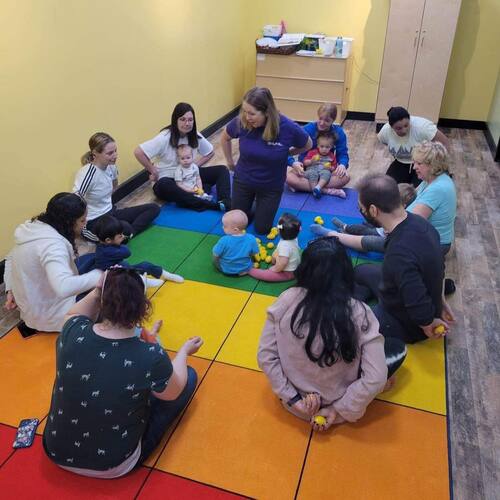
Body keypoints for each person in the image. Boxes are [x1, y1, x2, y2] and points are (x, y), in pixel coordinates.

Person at [43, 267, 203, 477]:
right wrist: (184, 352)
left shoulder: (71, 331)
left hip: (56, 451)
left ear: (102, 301)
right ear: (143, 308)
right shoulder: (151, 355)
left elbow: (74, 313)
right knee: (188, 377)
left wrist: (98, 290)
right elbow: (172, 392)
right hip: (114, 464)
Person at [257, 237, 407, 431]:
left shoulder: (286, 299)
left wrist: (294, 400)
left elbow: (265, 356)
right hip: (337, 407)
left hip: (295, 403)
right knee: (396, 348)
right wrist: (337, 409)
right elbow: (376, 377)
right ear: (346, 272)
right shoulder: (360, 312)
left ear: (304, 269)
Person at [352, 175, 455, 343]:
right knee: (360, 271)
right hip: (398, 291)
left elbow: (415, 298)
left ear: (373, 210)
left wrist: (428, 323)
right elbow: (439, 268)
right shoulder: (422, 223)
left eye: (361, 209)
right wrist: (440, 302)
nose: (362, 212)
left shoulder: (399, 252)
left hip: (406, 323)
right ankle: (359, 303)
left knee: (350, 328)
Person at [3, 193, 102, 336]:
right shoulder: (53, 246)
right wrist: (99, 276)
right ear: (68, 222)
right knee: (107, 292)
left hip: (32, 307)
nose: (85, 223)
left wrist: (10, 289)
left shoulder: (33, 229)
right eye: (82, 220)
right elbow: (63, 287)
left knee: (91, 259)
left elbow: (10, 258)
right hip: (51, 316)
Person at [220, 87, 312, 234]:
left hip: (270, 186)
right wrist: (230, 162)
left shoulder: (287, 127)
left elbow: (308, 144)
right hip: (244, 180)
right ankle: (252, 204)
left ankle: (260, 205)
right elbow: (225, 137)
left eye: (252, 113)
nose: (247, 117)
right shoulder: (242, 121)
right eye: (244, 111)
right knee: (238, 223)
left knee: (262, 229)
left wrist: (288, 153)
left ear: (267, 112)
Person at [134, 102, 231, 212]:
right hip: (168, 180)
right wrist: (153, 171)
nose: (187, 123)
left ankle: (224, 201)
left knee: (222, 170)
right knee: (164, 184)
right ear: (175, 120)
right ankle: (208, 204)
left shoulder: (194, 135)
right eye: (182, 119)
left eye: (190, 120)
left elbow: (210, 152)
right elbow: (138, 152)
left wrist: (194, 166)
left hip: (189, 176)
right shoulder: (164, 137)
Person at [74, 132, 160, 242]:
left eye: (115, 151)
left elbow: (114, 185)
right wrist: (81, 222)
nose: (115, 155)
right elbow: (75, 200)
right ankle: (123, 234)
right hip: (93, 220)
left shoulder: (111, 167)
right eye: (110, 153)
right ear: (95, 153)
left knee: (153, 208)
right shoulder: (87, 173)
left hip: (111, 213)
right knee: (124, 227)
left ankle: (127, 234)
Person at [310, 183, 416, 254]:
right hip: (381, 231)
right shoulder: (394, 208)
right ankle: (345, 227)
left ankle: (333, 233)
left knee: (366, 238)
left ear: (404, 205)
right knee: (361, 228)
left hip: (386, 239)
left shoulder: (405, 218)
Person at [93, 215, 184, 286]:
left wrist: (119, 241)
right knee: (124, 265)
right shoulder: (106, 251)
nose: (123, 237)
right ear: (108, 240)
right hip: (116, 280)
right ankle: (143, 281)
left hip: (122, 273)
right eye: (120, 236)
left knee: (143, 265)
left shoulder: (105, 246)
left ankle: (167, 275)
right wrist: (122, 244)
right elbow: (127, 252)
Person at [286, 103, 350, 194]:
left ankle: (304, 187)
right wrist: (293, 163)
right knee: (288, 177)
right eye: (320, 118)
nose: (322, 123)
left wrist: (342, 165)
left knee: (346, 177)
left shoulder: (339, 133)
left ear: (333, 120)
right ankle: (325, 190)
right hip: (306, 169)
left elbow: (343, 153)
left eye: (327, 121)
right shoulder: (308, 129)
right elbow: (285, 149)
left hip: (327, 170)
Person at [378, 107, 450, 186]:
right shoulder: (385, 132)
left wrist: (439, 167)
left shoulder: (423, 127)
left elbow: (445, 143)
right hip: (401, 162)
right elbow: (385, 143)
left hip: (424, 163)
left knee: (419, 191)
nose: (404, 130)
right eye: (399, 128)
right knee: (387, 186)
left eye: (406, 125)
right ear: (391, 127)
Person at [249, 213, 301, 282]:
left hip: (288, 272)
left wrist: (275, 269)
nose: (277, 226)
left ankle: (249, 270)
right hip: (292, 264)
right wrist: (274, 259)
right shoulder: (293, 237)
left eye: (278, 225)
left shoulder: (285, 246)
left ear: (279, 231)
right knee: (277, 253)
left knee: (266, 275)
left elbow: (283, 263)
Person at [212, 210, 259, 276]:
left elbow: (215, 256)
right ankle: (243, 271)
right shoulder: (251, 238)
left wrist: (219, 267)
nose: (222, 227)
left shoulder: (223, 240)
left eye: (225, 226)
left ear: (235, 230)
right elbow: (253, 254)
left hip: (227, 270)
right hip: (245, 269)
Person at [302, 131, 345, 199]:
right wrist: (311, 161)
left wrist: (330, 168)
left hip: (323, 172)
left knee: (327, 173)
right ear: (318, 145)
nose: (324, 149)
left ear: (331, 147)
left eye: (327, 147)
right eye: (322, 146)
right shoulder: (312, 153)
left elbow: (334, 167)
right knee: (312, 173)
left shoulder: (331, 156)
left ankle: (318, 187)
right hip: (312, 170)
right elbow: (304, 162)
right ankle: (315, 190)